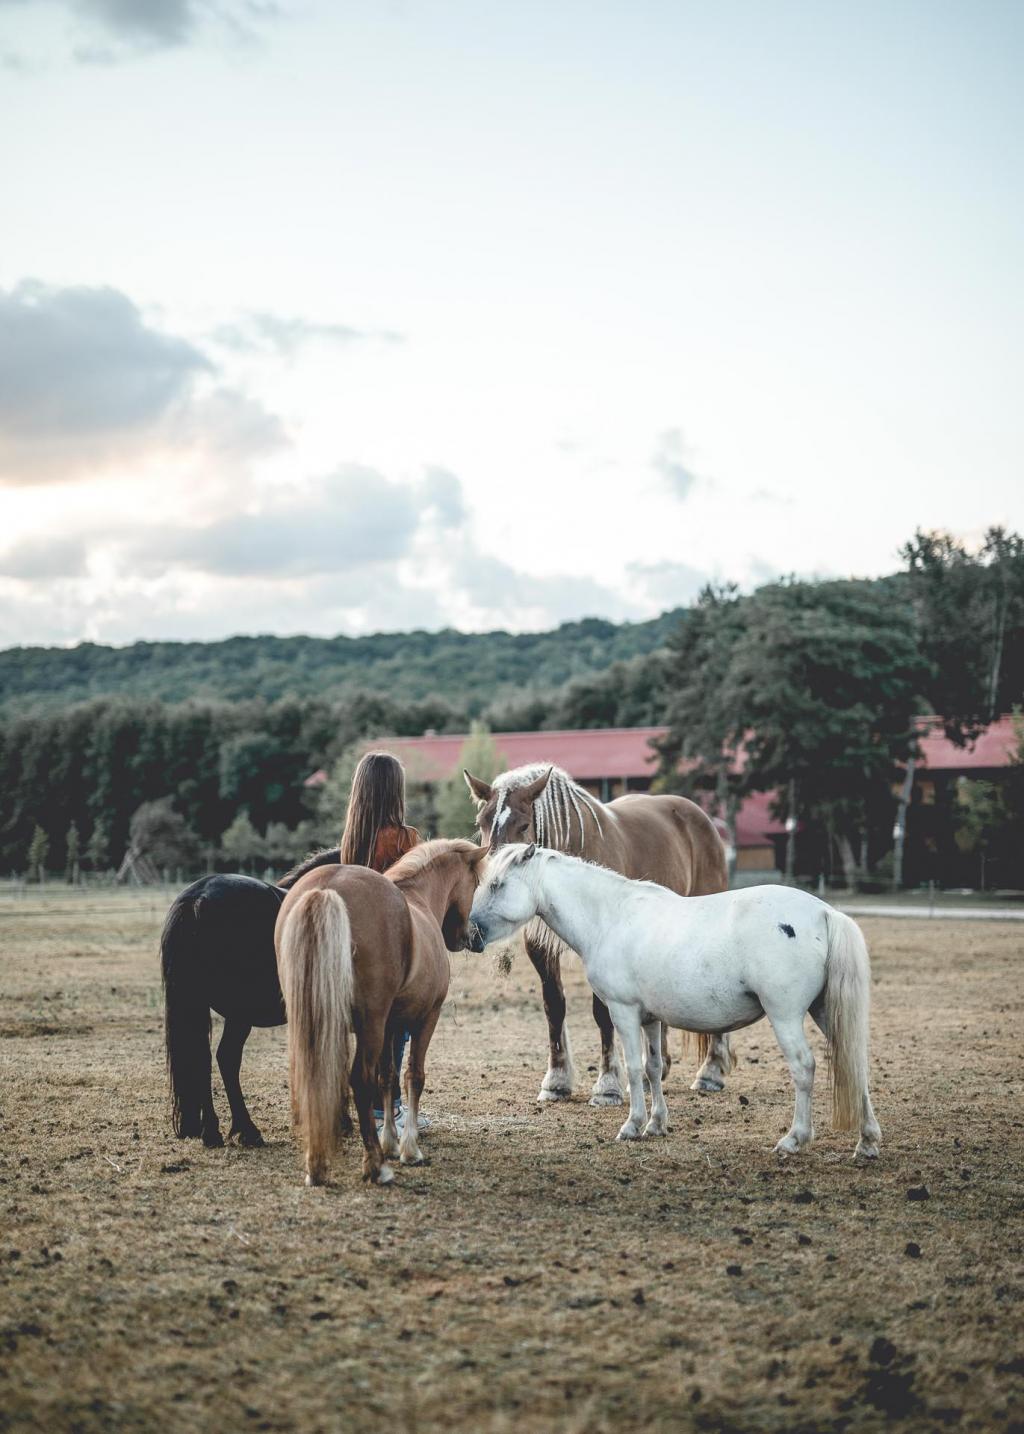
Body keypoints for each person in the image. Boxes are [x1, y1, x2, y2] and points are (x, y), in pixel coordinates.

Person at [339, 751, 423, 1127]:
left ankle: (362, 1104)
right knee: (399, 1022)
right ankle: (387, 1109)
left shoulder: (351, 841)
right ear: (395, 792)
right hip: (391, 943)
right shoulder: (405, 839)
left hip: (351, 940)